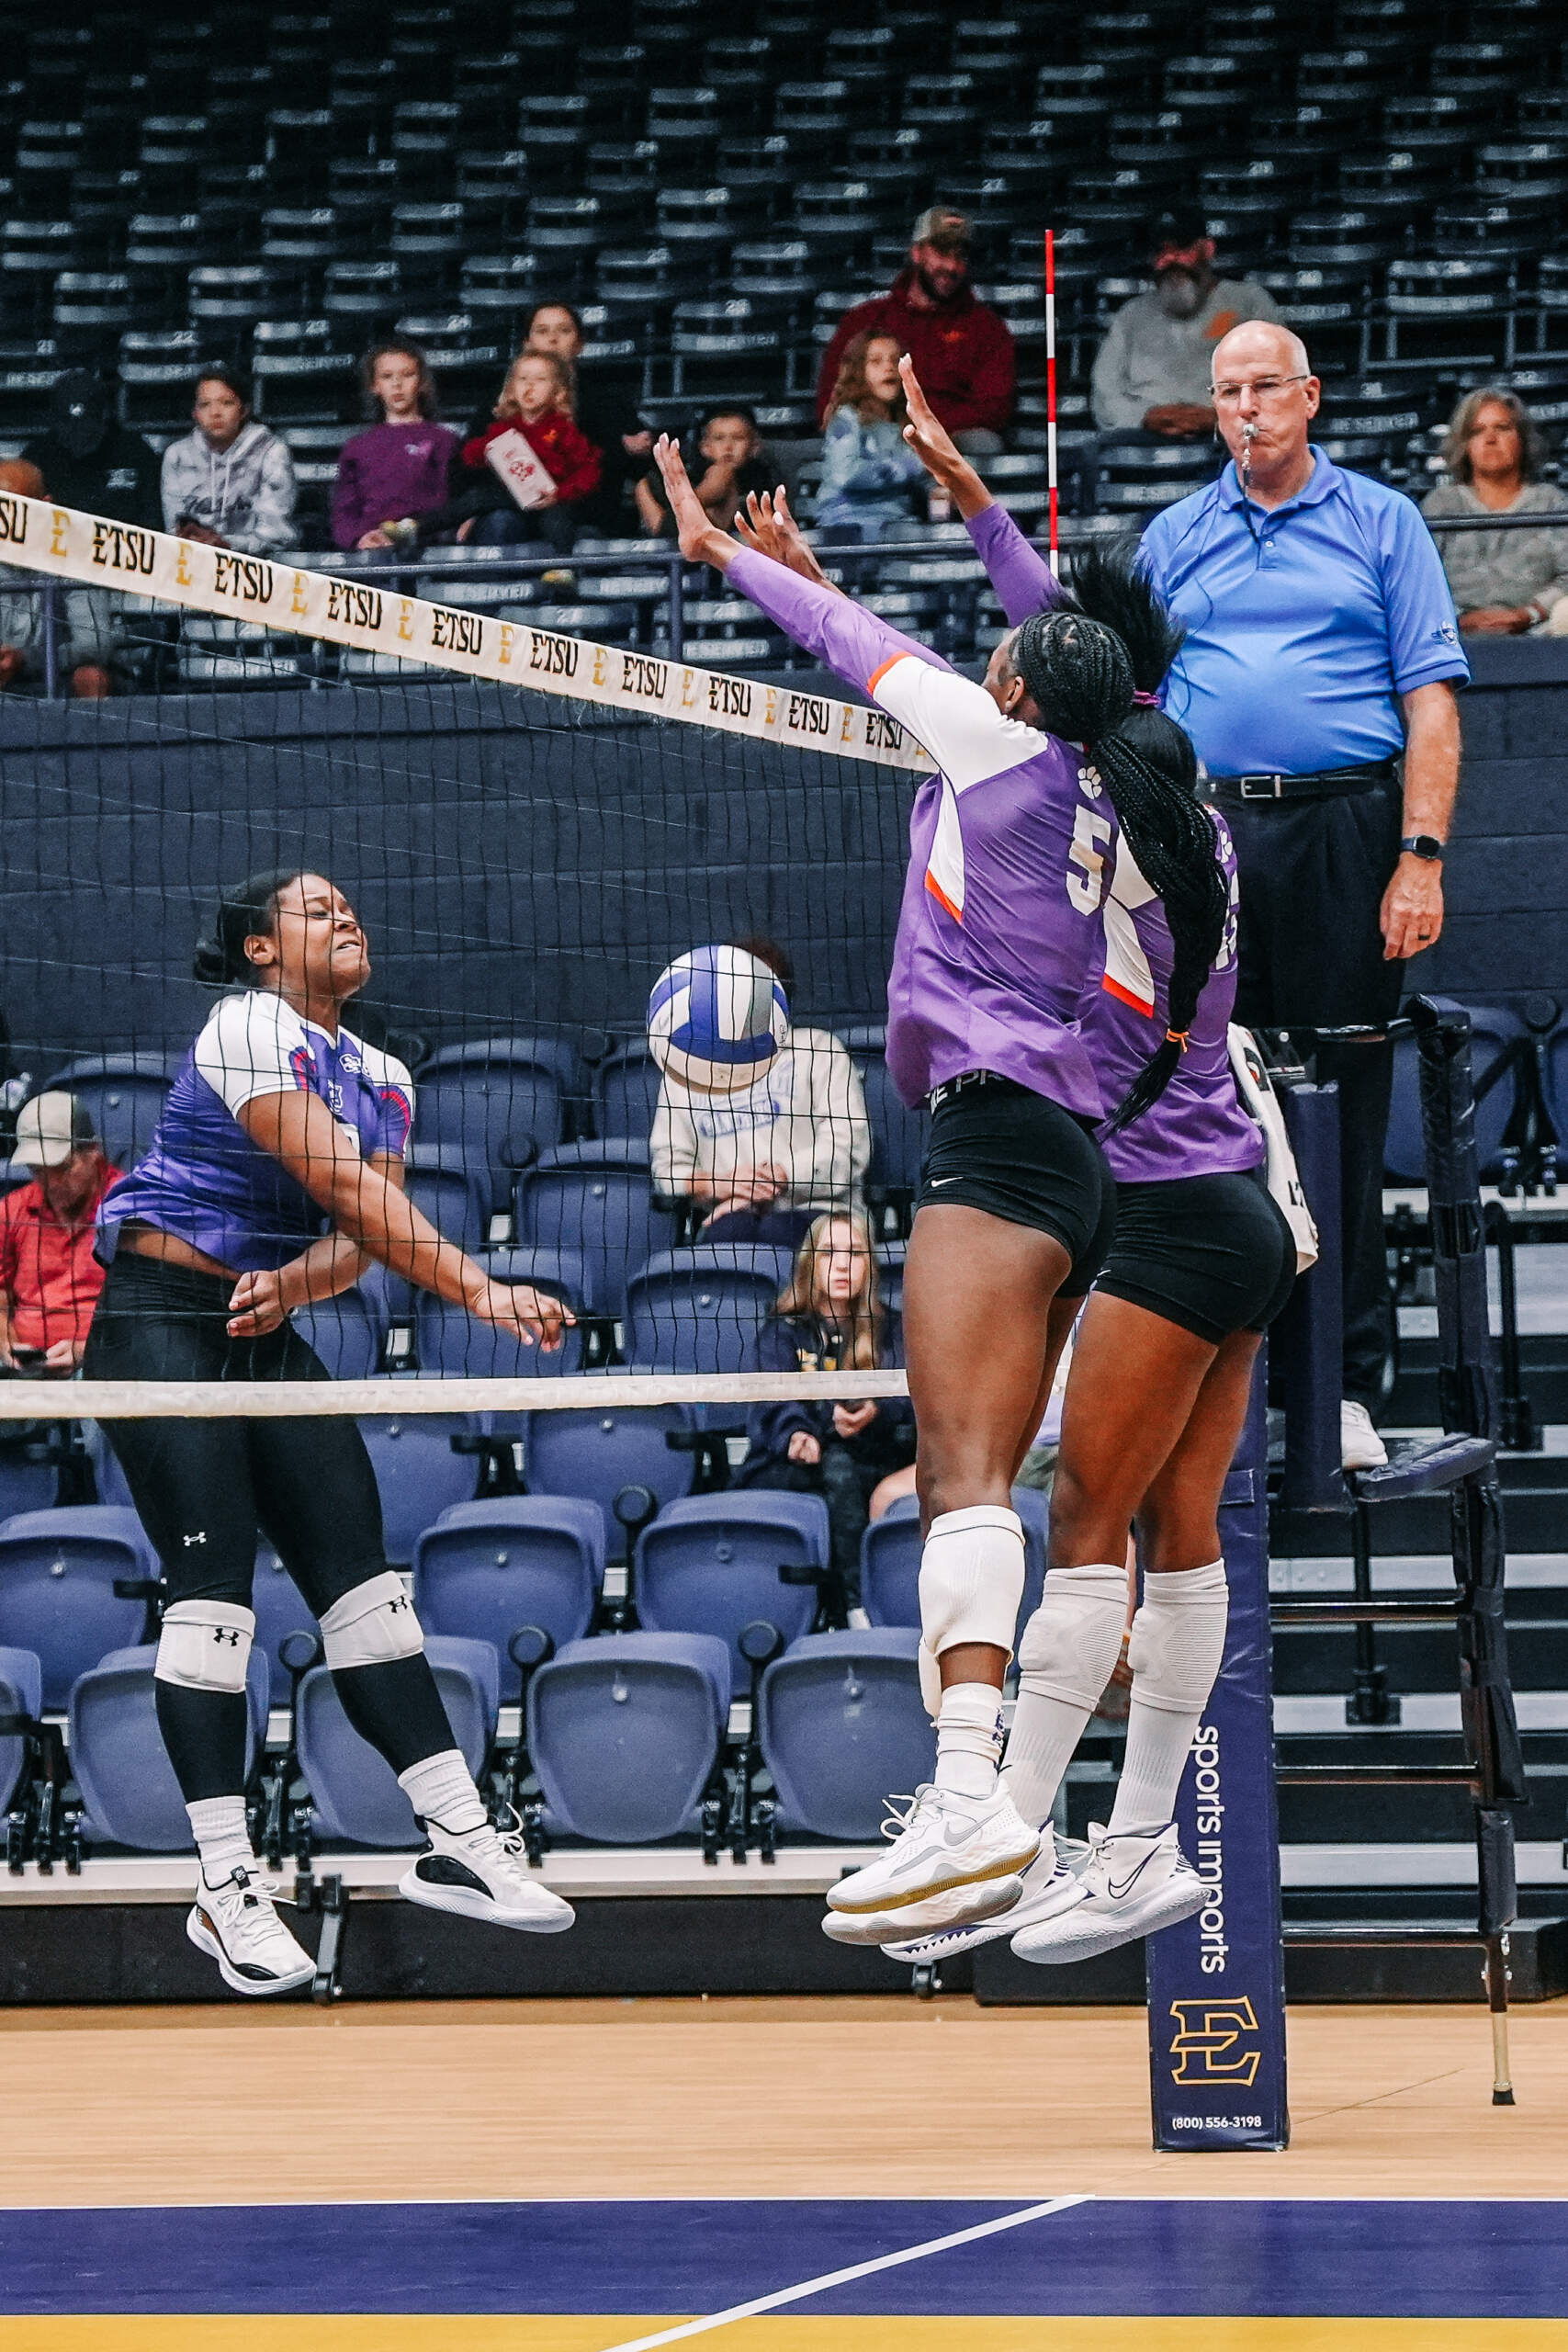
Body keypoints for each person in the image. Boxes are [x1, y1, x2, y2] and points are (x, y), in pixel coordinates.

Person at [651, 432, 1228, 1940]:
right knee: (1004, 1478)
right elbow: (1010, 662)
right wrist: (947, 521)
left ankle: (970, 1796)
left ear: (1020, 689)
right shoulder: (1126, 790)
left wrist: (727, 555)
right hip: (1076, 1160)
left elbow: (854, 647)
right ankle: (1003, 1811)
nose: (981, 663)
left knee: (965, 1476)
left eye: (1001, 658)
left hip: (998, 1139)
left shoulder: (999, 747)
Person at [849, 388, 1297, 1959]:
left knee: (1088, 1525)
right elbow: (1075, 649)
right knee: (1181, 1532)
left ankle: (1003, 1831)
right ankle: (1133, 1844)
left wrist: (825, 558)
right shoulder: (1185, 817)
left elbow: (1038, 662)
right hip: (1246, 1206)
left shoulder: (1057, 817)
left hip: (1160, 1212)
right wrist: (974, 499)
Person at [84, 868, 576, 1996]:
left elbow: (356, 1242)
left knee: (367, 1588)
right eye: (314, 909)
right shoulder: (247, 1024)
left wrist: (294, 1286)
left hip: (255, 1326)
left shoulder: (384, 1075)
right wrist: (481, 1290)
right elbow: (349, 1191)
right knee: (215, 1598)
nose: (345, 914)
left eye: (350, 905)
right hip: (158, 1319)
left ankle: (458, 1838)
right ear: (260, 949)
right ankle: (225, 1885)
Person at [1139, 320, 1468, 1469]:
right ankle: (1231, 1383)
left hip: (1346, 831)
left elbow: (1431, 702)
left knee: (1343, 1110)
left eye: (1265, 387)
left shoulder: (1383, 521)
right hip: (1211, 836)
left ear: (1310, 395)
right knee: (1212, 1109)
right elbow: (1126, 697)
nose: (1245, 408)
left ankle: (1343, 1384)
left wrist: (1419, 856)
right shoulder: (1175, 535)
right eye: (1227, 391)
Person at [737, 1210, 914, 1610]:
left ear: (870, 1265)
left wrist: (876, 1412)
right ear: (810, 1263)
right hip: (797, 1460)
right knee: (822, 1474)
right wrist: (797, 1433)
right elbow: (772, 1397)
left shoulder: (892, 1328)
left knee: (842, 1470)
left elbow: (909, 1398)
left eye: (855, 1253)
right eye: (829, 1253)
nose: (842, 1265)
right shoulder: (783, 1330)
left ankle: (857, 1606)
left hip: (872, 1455)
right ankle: (837, 1607)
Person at [649, 937, 870, 1249]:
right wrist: (720, 1185)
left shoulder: (819, 1049)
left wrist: (778, 1177)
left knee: (776, 1232)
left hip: (821, 1214)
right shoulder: (683, 1066)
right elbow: (668, 1170)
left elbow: (848, 1151)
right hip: (729, 1215)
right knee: (731, 1236)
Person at [816, 208, 1016, 456]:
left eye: (960, 256)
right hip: (875, 443)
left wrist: (922, 429)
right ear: (917, 252)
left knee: (983, 443)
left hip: (948, 445)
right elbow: (831, 398)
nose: (952, 266)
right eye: (942, 253)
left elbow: (994, 408)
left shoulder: (987, 328)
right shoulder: (865, 319)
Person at [1091, 204, 1282, 441]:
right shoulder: (1131, 315)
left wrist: (1220, 416)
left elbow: (1277, 382)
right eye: (1160, 251)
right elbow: (1104, 395)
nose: (1170, 259)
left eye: (1181, 248)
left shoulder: (1249, 303)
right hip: (1144, 437)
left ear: (1208, 249)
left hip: (1229, 436)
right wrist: (1147, 416)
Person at [1423, 388, 1568, 637]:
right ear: (1464, 444)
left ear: (1522, 439)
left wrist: (1528, 614)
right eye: (1477, 431)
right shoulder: (1441, 504)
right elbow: (1419, 581)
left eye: (1502, 428)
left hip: (1539, 630)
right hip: (1451, 633)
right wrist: (1459, 619)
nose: (1490, 439)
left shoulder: (1552, 502)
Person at [0, 1093, 121, 1374]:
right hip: (22, 1367)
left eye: (62, 1169)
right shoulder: (12, 1210)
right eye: (38, 1171)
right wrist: (5, 1341)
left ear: (93, 1151)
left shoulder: (129, 1209)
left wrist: (88, 1349)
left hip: (106, 1364)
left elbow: (146, 1311)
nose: (52, 1183)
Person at [444, 349, 601, 557]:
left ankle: (563, 567)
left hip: (550, 504)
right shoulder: (503, 429)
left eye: (540, 380)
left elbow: (588, 472)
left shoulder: (564, 432)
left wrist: (559, 494)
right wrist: (486, 451)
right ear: (511, 389)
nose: (529, 386)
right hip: (511, 501)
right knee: (477, 499)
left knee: (557, 521)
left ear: (559, 392)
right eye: (523, 379)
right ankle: (416, 528)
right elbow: (469, 456)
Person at [525, 300, 652, 535]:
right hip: (519, 512)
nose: (553, 339)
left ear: (579, 344)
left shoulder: (606, 400)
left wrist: (633, 448)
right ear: (527, 343)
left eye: (564, 330)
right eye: (542, 331)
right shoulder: (503, 400)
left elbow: (641, 465)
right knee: (498, 524)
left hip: (587, 512)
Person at [0, 458, 125, 697]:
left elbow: (95, 644)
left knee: (92, 677)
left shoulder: (76, 555)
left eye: (17, 507)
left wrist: (25, 658)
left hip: (59, 673)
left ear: (45, 506)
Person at [330, 342, 459, 553]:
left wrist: (416, 532)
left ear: (422, 382)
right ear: (374, 386)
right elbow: (344, 511)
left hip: (425, 546)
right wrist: (358, 539)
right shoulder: (357, 447)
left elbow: (448, 503)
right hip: (370, 548)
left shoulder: (443, 440)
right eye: (387, 376)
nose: (397, 384)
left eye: (407, 375)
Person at [161, 364, 299, 555]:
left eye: (226, 403)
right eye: (205, 405)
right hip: (194, 561)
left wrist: (225, 544)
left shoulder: (272, 452)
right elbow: (174, 530)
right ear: (195, 413)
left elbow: (275, 534)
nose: (215, 413)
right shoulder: (176, 456)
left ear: (244, 410)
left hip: (259, 562)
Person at [813, 330, 927, 542]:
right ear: (858, 371)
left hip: (896, 522)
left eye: (895, 360)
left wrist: (938, 489)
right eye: (876, 361)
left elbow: (923, 473)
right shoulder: (846, 418)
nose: (889, 367)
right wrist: (907, 467)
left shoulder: (907, 423)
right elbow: (845, 474)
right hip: (846, 521)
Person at [23, 368, 161, 529]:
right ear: (54, 422)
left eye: (86, 427)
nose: (78, 434)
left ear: (104, 416)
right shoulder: (36, 458)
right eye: (68, 426)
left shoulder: (134, 452)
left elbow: (153, 521)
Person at [636, 406, 773, 540]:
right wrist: (708, 491)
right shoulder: (658, 484)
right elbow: (668, 536)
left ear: (755, 446)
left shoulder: (768, 484)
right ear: (705, 447)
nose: (728, 447)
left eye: (738, 438)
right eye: (719, 438)